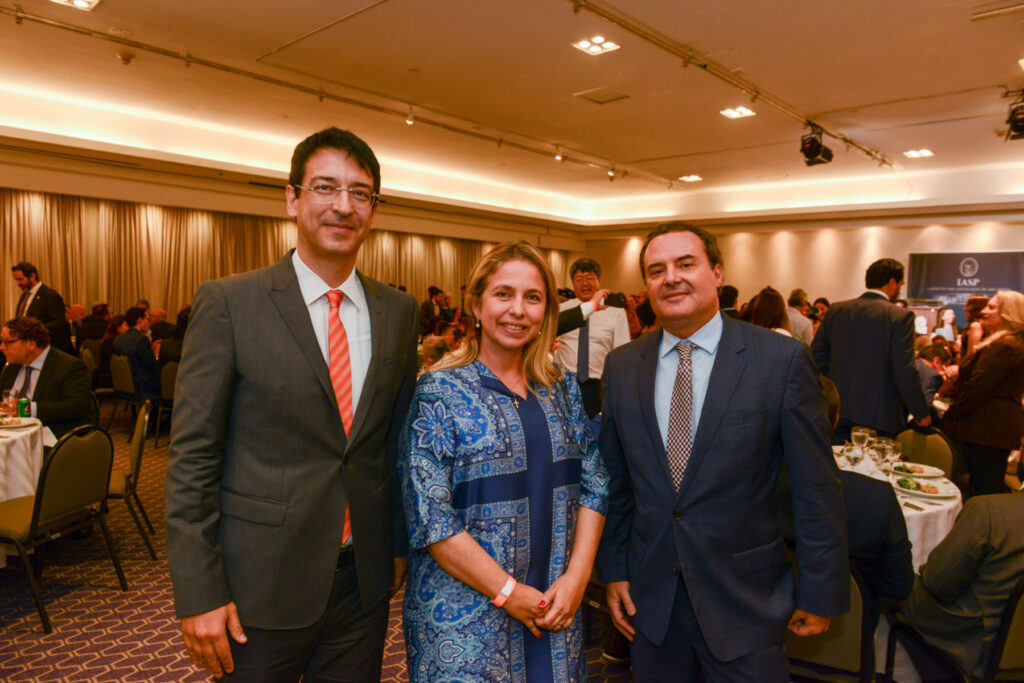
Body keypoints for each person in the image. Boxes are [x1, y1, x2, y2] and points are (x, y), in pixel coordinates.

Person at [165, 127, 419, 681]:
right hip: (259, 585)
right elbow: (193, 459)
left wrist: (396, 547)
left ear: (374, 210)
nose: (343, 206)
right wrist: (199, 590)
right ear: (292, 198)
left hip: (363, 584)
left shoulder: (399, 312)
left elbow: (393, 446)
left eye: (360, 193)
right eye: (325, 187)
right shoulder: (230, 303)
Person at [596, 221, 848, 682]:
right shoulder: (622, 366)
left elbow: (816, 489)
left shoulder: (781, 361)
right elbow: (614, 484)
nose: (671, 278)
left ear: (716, 273)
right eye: (657, 270)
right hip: (652, 602)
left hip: (746, 603)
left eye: (685, 264)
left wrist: (820, 592)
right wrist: (614, 570)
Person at [400, 241, 608, 682]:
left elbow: (595, 483)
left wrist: (578, 577)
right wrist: (509, 592)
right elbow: (430, 517)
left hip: (555, 605)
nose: (518, 310)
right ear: (476, 304)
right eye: (503, 294)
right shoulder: (438, 391)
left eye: (532, 297)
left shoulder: (562, 387)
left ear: (547, 312)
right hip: (462, 617)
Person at [901, 494, 1024, 678]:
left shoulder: (987, 511)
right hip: (1014, 650)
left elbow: (938, 584)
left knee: (894, 579)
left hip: (975, 644)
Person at [811, 258, 931, 442]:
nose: (900, 289)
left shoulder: (836, 310)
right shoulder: (899, 316)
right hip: (878, 416)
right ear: (892, 282)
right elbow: (904, 369)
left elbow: (816, 358)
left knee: (836, 458)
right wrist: (921, 412)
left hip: (836, 411)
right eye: (901, 284)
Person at [943, 290, 1024, 496]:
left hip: (988, 430)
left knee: (984, 492)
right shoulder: (1003, 342)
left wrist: (951, 414)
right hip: (989, 430)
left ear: (1008, 314)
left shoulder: (1006, 346)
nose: (984, 311)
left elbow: (977, 388)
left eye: (991, 307)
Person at [554, 258, 630, 419]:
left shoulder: (615, 313)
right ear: (572, 283)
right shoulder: (562, 310)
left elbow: (622, 354)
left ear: (599, 280)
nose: (584, 283)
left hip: (598, 387)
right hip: (565, 383)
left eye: (589, 278)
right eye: (579, 279)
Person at [0, 316, 94, 437]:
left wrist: (29, 408)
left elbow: (77, 406)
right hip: (11, 431)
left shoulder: (68, 366)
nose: (1, 347)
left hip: (52, 433)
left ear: (30, 344)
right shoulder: (12, 366)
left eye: (7, 342)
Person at [113, 306, 160, 399]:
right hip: (143, 386)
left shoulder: (117, 340)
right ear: (139, 320)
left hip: (124, 385)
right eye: (147, 319)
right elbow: (151, 365)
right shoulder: (142, 340)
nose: (149, 323)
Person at [11, 261, 65, 337]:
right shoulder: (24, 296)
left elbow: (57, 323)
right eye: (16, 280)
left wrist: (33, 331)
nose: (17, 283)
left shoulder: (50, 295)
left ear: (32, 276)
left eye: (20, 279)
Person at [94, 314, 127, 389]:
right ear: (117, 327)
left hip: (116, 376)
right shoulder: (110, 344)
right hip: (110, 379)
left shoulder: (115, 342)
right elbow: (120, 365)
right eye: (126, 325)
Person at [960, 293, 989, 359]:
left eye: (967, 305)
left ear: (975, 308)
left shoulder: (976, 326)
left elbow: (971, 355)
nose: (964, 309)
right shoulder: (980, 324)